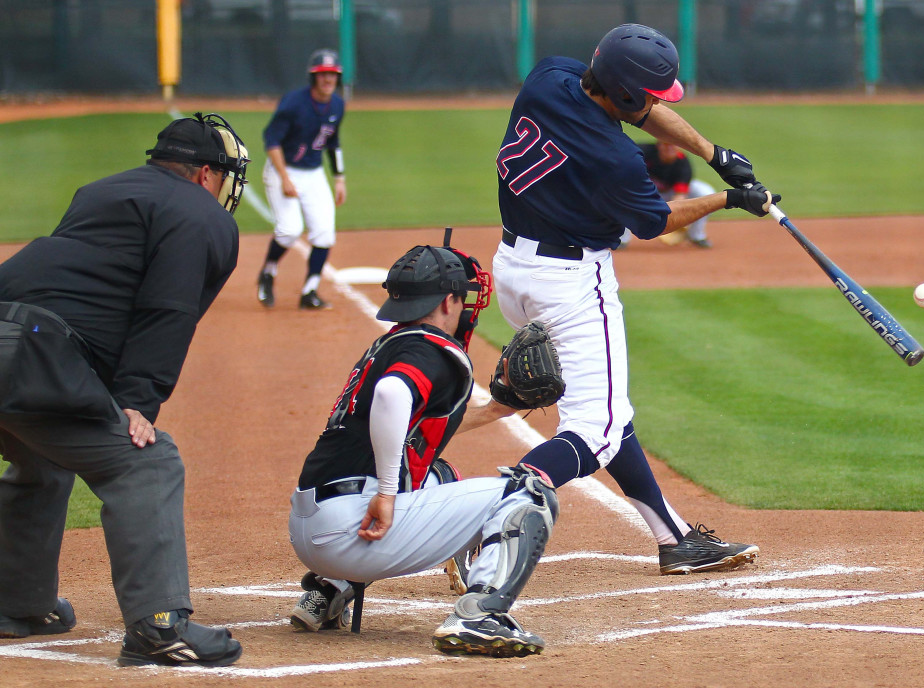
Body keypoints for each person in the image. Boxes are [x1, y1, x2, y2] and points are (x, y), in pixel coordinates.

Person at [492, 24, 780, 576]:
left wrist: (713, 152)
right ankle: (477, 524)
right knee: (592, 430)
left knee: (609, 411)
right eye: (648, 93)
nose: (653, 104)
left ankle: (674, 539)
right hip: (571, 284)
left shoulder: (548, 75)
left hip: (514, 269)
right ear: (625, 93)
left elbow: (636, 108)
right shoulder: (615, 160)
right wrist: (728, 198)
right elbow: (657, 222)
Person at [0, 113, 249, 667]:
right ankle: (159, 629)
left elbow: (76, 292)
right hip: (34, 352)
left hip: (12, 332)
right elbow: (169, 308)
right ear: (205, 174)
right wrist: (138, 401)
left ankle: (18, 603)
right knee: (147, 461)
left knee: (43, 458)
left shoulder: (101, 192)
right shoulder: (198, 213)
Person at [287, 241, 559, 657]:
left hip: (312, 529)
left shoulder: (393, 344)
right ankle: (480, 615)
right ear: (448, 301)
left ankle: (328, 591)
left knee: (437, 474)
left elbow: (412, 428)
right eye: (463, 297)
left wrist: (496, 410)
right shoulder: (430, 350)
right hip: (349, 531)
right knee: (527, 494)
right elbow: (392, 396)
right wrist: (386, 492)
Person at [257, 48, 347, 310]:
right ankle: (268, 271)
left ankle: (310, 292)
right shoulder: (293, 103)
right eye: (323, 74)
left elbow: (334, 142)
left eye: (332, 74)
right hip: (282, 168)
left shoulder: (338, 105)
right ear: (314, 77)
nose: (328, 79)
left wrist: (339, 178)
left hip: (314, 173)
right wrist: (285, 178)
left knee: (324, 234)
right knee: (289, 229)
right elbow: (271, 141)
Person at [621, 141, 718, 248]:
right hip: (644, 192)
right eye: (666, 145)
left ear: (679, 148)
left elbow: (679, 197)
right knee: (623, 193)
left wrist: (674, 223)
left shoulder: (683, 164)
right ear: (659, 146)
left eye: (673, 145)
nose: (669, 148)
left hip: (669, 193)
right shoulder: (643, 152)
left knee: (706, 192)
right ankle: (622, 239)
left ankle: (696, 235)